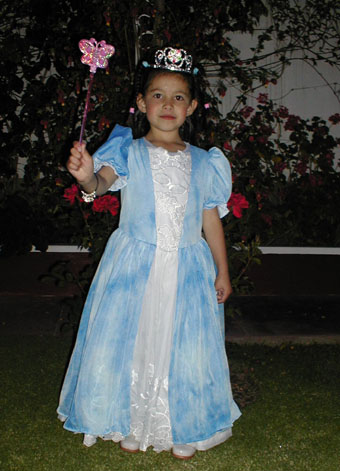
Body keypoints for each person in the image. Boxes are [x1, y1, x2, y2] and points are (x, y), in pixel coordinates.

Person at [57, 46, 241, 460]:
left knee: (187, 345)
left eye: (179, 97)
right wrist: (87, 177)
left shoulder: (204, 162)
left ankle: (183, 424)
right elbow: (100, 184)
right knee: (131, 339)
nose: (168, 104)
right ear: (142, 103)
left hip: (189, 267)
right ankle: (131, 419)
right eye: (158, 94)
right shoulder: (127, 150)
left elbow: (210, 220)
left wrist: (222, 271)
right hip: (136, 266)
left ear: (192, 106)